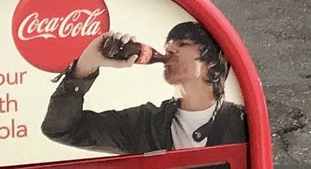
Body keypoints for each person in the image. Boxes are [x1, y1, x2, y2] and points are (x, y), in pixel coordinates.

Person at [42, 22, 247, 155]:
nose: (169, 49)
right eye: (168, 45)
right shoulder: (144, 124)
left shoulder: (241, 121)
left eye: (183, 44)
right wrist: (85, 66)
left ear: (211, 62)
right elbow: (61, 129)